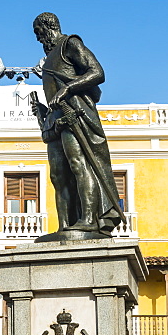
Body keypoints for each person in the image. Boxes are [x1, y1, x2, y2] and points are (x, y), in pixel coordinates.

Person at [29, 12, 125, 241]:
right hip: (55, 119)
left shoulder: (69, 44)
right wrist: (44, 110)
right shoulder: (50, 56)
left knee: (78, 163)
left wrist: (68, 88)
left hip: (77, 114)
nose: (38, 39)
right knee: (58, 175)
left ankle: (90, 219)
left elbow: (97, 72)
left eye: (38, 33)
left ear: (47, 27)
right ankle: (65, 224)